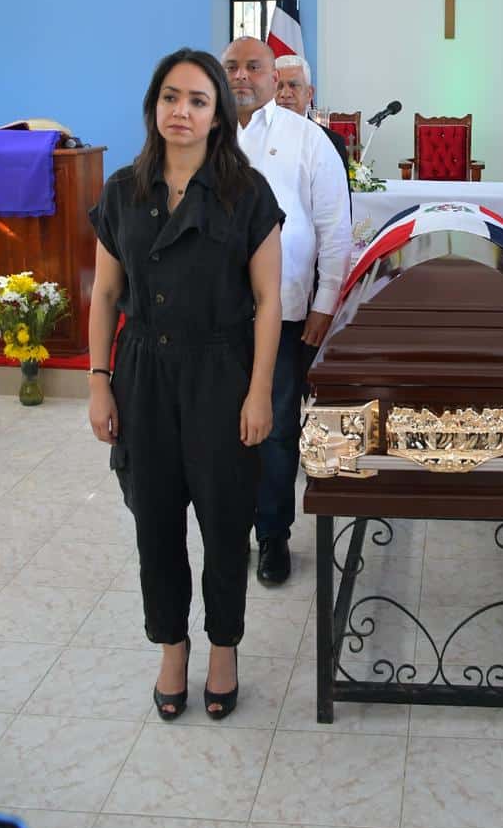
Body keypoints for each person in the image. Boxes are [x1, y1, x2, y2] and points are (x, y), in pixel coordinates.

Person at [88, 48, 283, 721]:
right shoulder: (122, 191)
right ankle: (172, 647)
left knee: (227, 522)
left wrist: (260, 391)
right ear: (154, 107)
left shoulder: (247, 194)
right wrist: (98, 381)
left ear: (218, 115)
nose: (182, 111)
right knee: (156, 522)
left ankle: (223, 647)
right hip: (144, 373)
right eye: (171, 97)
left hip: (220, 371)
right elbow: (105, 295)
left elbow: (269, 301)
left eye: (198, 100)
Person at [221, 38, 351, 587]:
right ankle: (228, 529)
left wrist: (325, 303)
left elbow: (334, 228)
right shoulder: (202, 135)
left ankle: (272, 533)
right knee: (217, 427)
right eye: (232, 67)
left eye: (254, 67)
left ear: (276, 79)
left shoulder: (308, 139)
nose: (242, 77)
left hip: (287, 309)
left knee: (272, 429)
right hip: (212, 315)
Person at [274, 53, 351, 184]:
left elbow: (338, 202)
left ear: (309, 94)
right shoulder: (255, 136)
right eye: (279, 86)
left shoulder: (331, 142)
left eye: (293, 85)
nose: (285, 94)